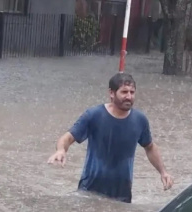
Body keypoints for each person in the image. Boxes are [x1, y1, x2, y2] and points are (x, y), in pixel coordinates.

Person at [47, 73, 173, 203]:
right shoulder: (94, 115)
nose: (129, 96)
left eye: (132, 92)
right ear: (111, 93)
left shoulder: (140, 120)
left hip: (122, 196)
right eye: (124, 92)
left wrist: (163, 172)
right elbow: (68, 137)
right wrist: (61, 150)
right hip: (89, 193)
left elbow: (150, 147)